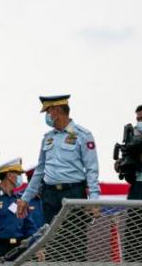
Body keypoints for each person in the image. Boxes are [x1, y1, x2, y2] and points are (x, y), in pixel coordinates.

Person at [17, 95, 100, 223]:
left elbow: (91, 170)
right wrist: (25, 198)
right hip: (49, 195)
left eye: (48, 111)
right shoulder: (48, 137)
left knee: (74, 239)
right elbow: (40, 170)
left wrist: (94, 200)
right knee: (51, 239)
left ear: (57, 111)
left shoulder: (83, 135)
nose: (47, 115)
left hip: (73, 193)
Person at [0, 158, 37, 261]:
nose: (20, 177)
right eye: (18, 173)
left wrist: (36, 245)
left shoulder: (21, 200)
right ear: (9, 175)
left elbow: (29, 226)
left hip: (18, 248)